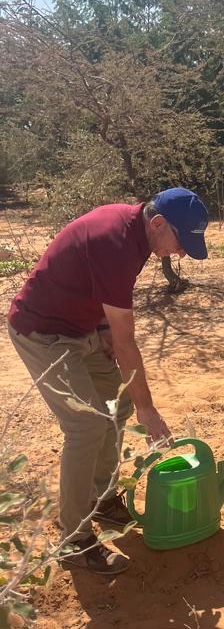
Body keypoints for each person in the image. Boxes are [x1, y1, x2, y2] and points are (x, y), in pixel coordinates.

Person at [7, 188, 209, 575]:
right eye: (181, 242)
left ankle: (101, 496)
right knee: (86, 423)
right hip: (42, 334)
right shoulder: (115, 242)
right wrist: (150, 412)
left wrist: (99, 327)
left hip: (82, 329)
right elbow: (126, 340)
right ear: (159, 223)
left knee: (119, 405)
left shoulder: (135, 233)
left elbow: (97, 292)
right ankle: (74, 540)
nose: (181, 253)